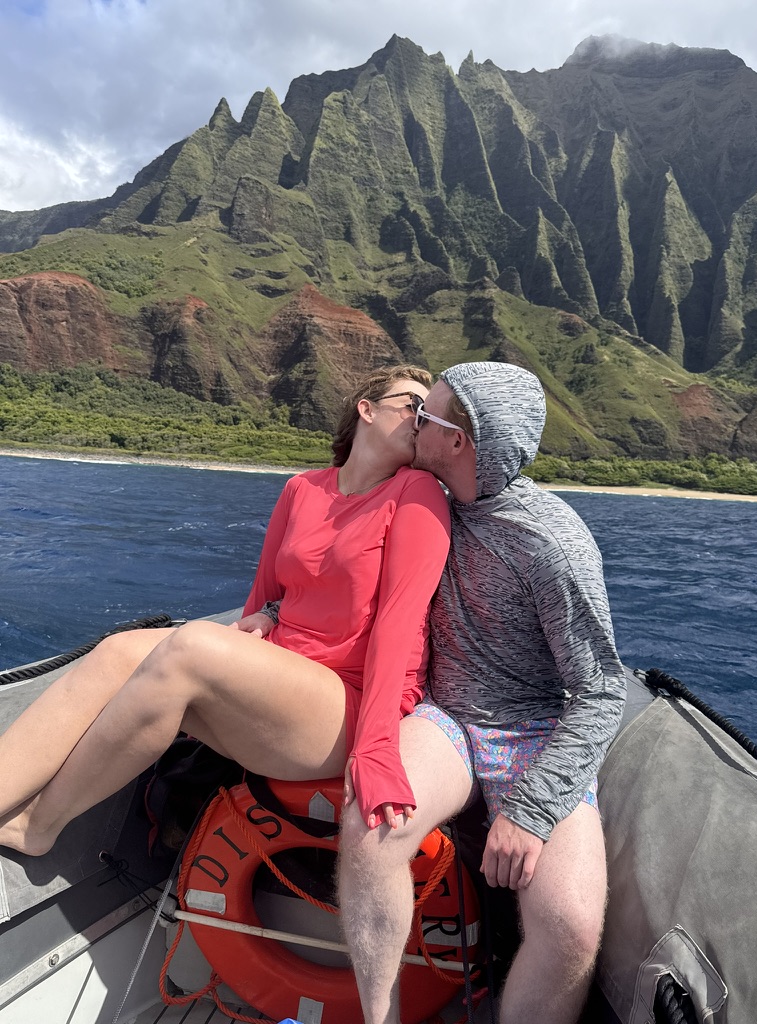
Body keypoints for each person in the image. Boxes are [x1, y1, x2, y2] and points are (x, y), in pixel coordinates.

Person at [0, 365, 451, 857]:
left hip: (349, 705)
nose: (422, 420)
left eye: (428, 414)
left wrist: (377, 748)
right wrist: (268, 617)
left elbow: (399, 625)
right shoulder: (303, 489)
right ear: (367, 410)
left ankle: (37, 827)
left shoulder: (416, 493)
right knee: (119, 651)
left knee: (191, 647)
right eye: (412, 406)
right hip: (278, 680)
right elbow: (262, 599)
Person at [338, 362, 627, 1024]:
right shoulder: (418, 497)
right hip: (446, 717)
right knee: (372, 825)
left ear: (458, 442)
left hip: (532, 733)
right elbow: (334, 556)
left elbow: (603, 691)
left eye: (427, 417)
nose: (414, 421)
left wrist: (530, 811)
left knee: (571, 929)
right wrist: (269, 606)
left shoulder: (552, 545)